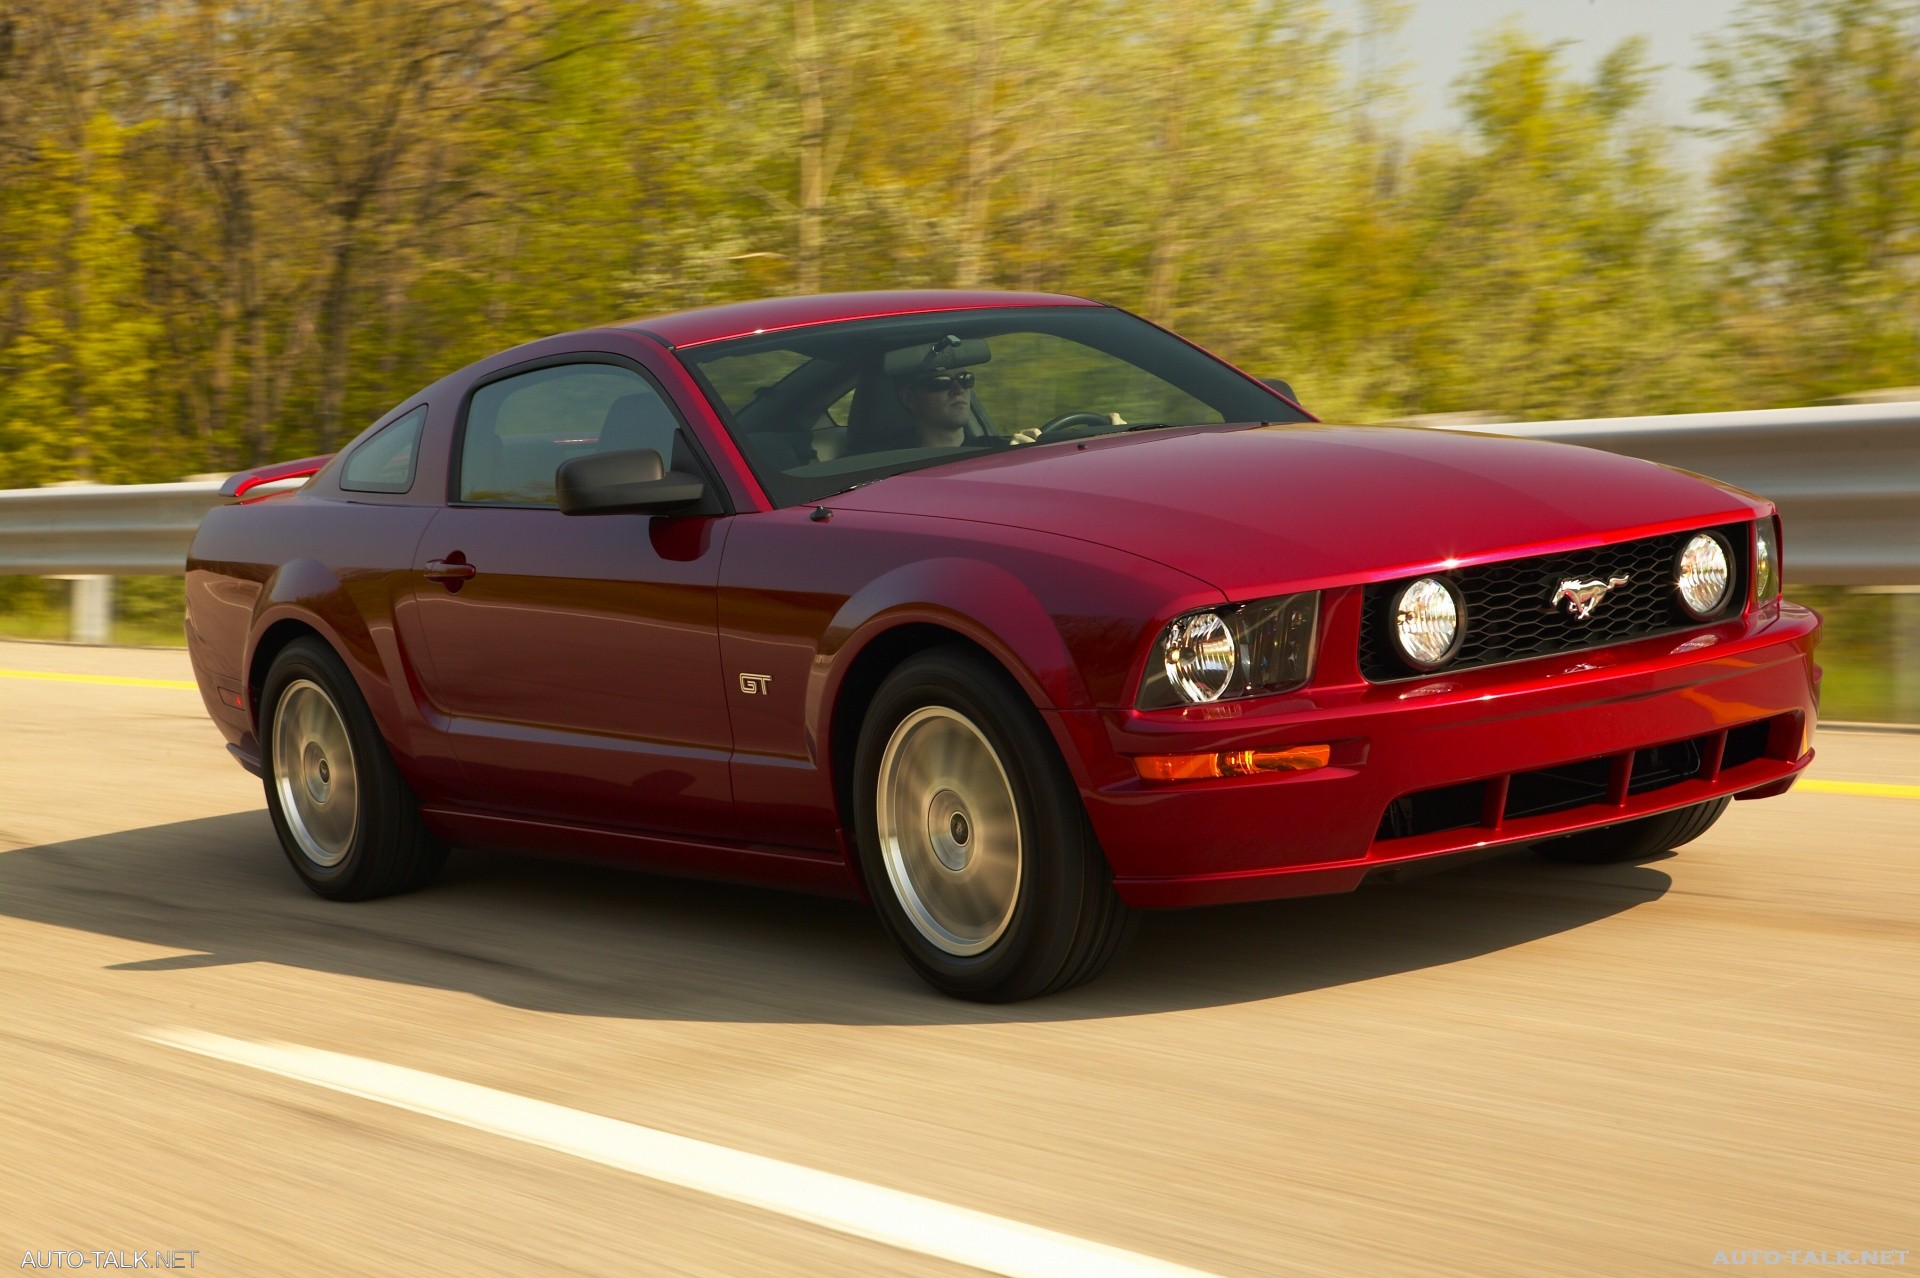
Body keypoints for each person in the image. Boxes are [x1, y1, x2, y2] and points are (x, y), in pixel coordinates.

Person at [895, 368, 1040, 449]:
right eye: (941, 382)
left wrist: (1023, 456)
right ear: (909, 398)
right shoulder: (890, 464)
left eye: (965, 378)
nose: (958, 389)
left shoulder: (1000, 452)